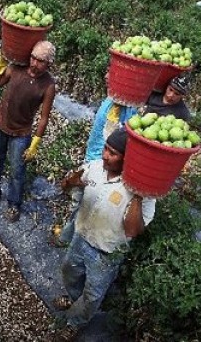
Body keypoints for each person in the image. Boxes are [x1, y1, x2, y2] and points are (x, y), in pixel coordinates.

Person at [53, 128, 156, 342]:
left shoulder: (142, 193)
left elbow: (133, 230)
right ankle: (74, 299)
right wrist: (71, 182)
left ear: (127, 159)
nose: (105, 156)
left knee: (93, 294)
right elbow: (65, 187)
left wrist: (137, 196)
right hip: (81, 237)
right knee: (69, 272)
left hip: (106, 253)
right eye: (105, 149)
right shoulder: (94, 168)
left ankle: (75, 322)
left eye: (112, 153)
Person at [0, 41, 57, 222]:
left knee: (17, 170)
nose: (35, 63)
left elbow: (44, 117)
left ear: (49, 63)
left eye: (41, 61)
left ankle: (14, 204)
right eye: (33, 58)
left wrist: (35, 142)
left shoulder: (48, 85)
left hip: (21, 132)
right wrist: (1, 64)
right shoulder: (16, 68)